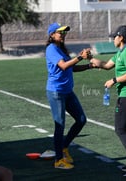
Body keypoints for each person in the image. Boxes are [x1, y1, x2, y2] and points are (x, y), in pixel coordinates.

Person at [90, 25, 126, 177]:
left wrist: (114, 80)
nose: (112, 39)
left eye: (114, 36)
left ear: (121, 37)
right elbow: (106, 65)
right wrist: (90, 59)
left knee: (121, 128)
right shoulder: (120, 52)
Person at [45, 22, 94, 169]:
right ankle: (58, 160)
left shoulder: (61, 49)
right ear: (52, 35)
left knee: (81, 120)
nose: (63, 34)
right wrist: (80, 56)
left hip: (67, 91)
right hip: (56, 92)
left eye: (64, 32)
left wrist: (89, 66)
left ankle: (64, 147)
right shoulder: (51, 49)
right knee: (59, 125)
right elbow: (64, 66)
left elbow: (71, 68)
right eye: (60, 32)